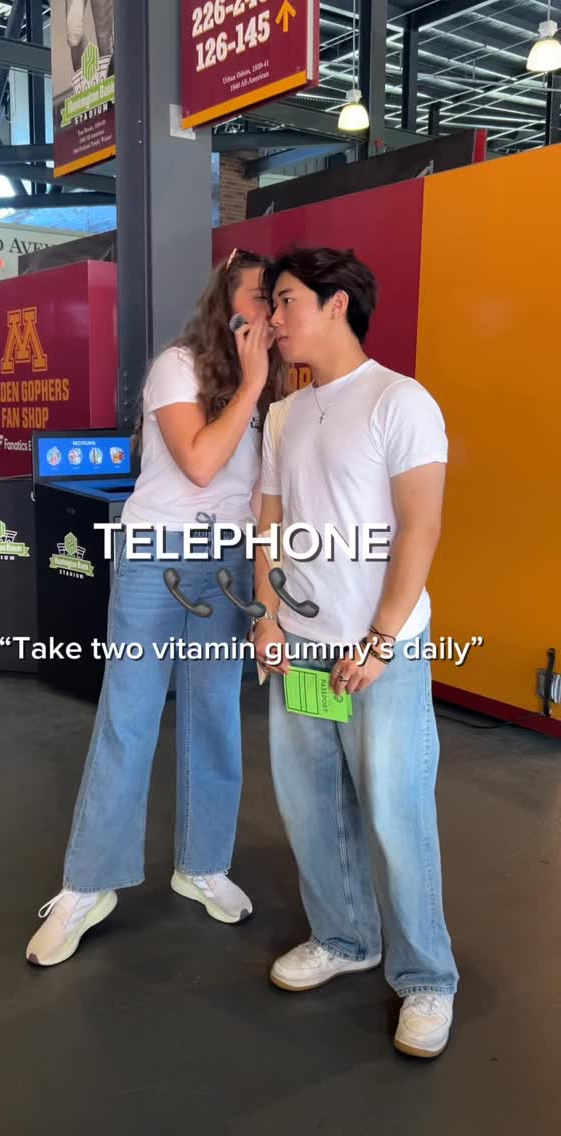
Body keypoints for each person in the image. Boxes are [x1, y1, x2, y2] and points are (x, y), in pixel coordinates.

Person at [27, 249, 284, 967]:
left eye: (277, 300)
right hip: (157, 555)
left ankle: (202, 865)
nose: (270, 312)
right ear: (226, 302)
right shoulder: (178, 367)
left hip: (227, 562)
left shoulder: (269, 388)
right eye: (260, 297)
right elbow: (199, 463)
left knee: (215, 715)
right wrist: (254, 382)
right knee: (130, 715)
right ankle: (88, 885)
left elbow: (259, 491)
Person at [253, 247, 459, 1059]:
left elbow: (420, 528)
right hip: (304, 651)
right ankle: (345, 938)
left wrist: (379, 640)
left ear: (336, 304)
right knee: (313, 805)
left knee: (397, 813)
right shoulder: (283, 415)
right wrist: (268, 616)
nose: (273, 318)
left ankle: (427, 978)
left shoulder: (399, 401)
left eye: (286, 301)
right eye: (273, 304)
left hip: (382, 654)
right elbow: (270, 524)